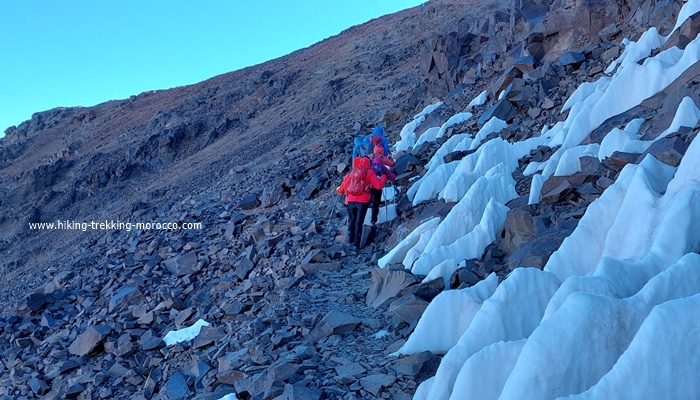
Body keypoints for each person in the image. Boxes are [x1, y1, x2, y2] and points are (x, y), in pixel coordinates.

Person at [337, 156, 387, 250]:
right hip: (362, 201)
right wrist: (384, 177)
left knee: (353, 219)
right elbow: (378, 186)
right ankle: (356, 245)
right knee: (359, 223)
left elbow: (345, 186)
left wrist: (339, 191)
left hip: (351, 201)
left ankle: (350, 236)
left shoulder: (353, 172)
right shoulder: (369, 173)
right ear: (369, 163)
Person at [369, 146, 396, 225]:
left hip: (370, 187)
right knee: (376, 203)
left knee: (369, 200)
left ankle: (365, 214)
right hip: (378, 187)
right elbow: (390, 176)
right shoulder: (382, 166)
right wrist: (394, 176)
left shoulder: (371, 166)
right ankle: (373, 219)